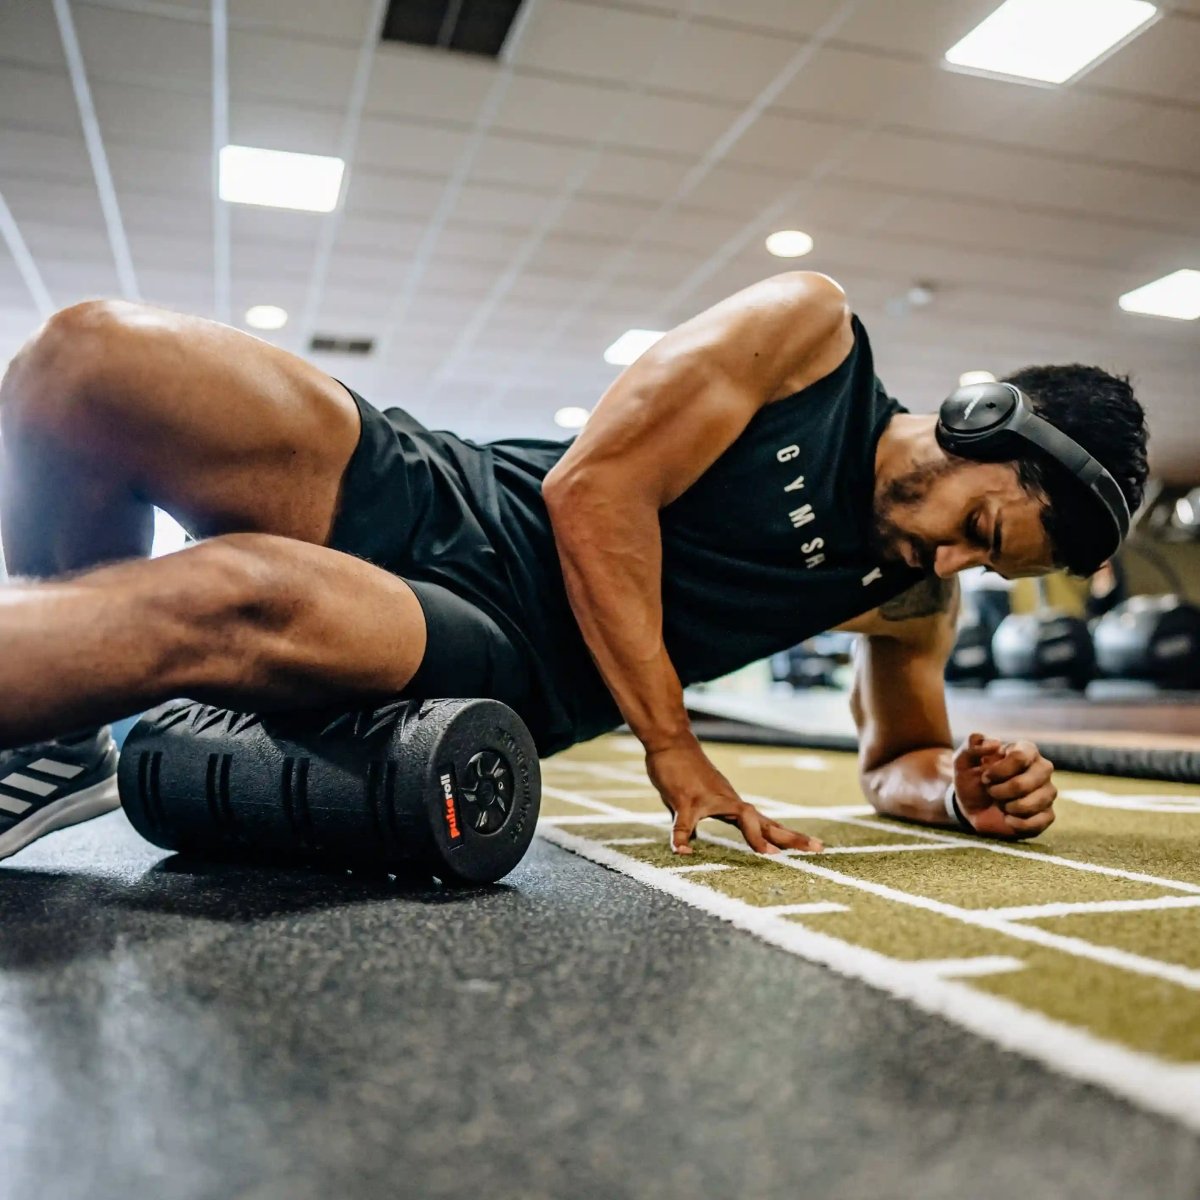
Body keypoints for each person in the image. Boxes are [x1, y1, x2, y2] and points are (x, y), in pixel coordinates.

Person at [0, 272, 1148, 863]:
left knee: (229, 596)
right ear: (976, 419)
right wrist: (674, 745)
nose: (947, 562)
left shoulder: (908, 592)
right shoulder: (812, 337)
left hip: (494, 650)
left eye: (982, 570)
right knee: (87, 356)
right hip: (443, 485)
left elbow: (897, 751)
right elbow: (592, 492)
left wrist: (954, 787)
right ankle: (63, 746)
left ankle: (60, 699)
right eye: (980, 531)